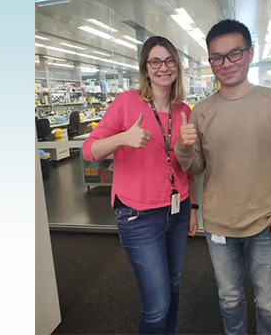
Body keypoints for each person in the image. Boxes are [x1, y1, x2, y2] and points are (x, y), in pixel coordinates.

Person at [174, 19, 271, 335]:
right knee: (230, 299)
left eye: (234, 54)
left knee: (268, 303)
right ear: (210, 62)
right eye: (217, 57)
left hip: (267, 221)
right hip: (219, 224)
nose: (226, 63)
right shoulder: (202, 111)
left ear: (250, 53)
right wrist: (183, 147)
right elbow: (194, 167)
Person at [82, 36, 198, 335]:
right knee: (157, 303)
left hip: (178, 209)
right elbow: (89, 150)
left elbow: (187, 167)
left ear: (177, 66)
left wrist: (193, 207)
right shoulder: (126, 103)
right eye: (155, 62)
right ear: (145, 68)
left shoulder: (183, 109)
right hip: (139, 214)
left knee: (174, 286)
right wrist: (123, 138)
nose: (163, 68)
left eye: (169, 61)